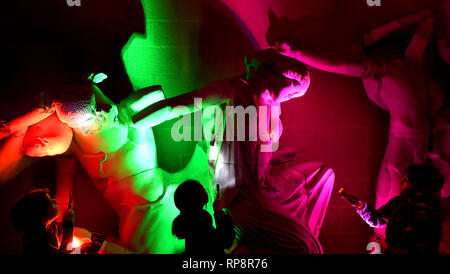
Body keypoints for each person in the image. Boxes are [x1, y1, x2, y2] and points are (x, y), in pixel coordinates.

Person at [132, 49, 335, 253]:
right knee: (307, 247)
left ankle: (299, 230)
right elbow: (177, 106)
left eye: (293, 95)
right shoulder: (233, 89)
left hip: (264, 188)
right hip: (242, 198)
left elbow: (254, 155)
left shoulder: (274, 110)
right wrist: (134, 123)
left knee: (323, 175)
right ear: (277, 76)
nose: (289, 97)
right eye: (291, 91)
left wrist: (279, 157)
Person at [267, 8, 444, 211]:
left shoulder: (410, 62)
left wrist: (402, 23)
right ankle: (383, 235)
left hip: (412, 147)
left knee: (398, 203)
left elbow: (427, 19)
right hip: (406, 147)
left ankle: (386, 233)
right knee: (388, 207)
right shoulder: (398, 67)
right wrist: (296, 53)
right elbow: (337, 64)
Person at [339, 164, 444, 254]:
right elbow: (377, 219)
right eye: (402, 178)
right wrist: (359, 205)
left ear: (421, 189)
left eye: (406, 180)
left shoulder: (427, 216)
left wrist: (387, 249)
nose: (400, 181)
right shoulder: (398, 203)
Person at [172, 180, 234, 254]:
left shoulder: (187, 218)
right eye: (202, 188)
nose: (205, 190)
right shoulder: (199, 220)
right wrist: (219, 212)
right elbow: (225, 241)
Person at [10, 188, 74, 254]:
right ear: (41, 215)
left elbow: (62, 249)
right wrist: (68, 224)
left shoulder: (49, 230)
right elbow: (65, 251)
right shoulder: (34, 240)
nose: (55, 200)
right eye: (50, 201)